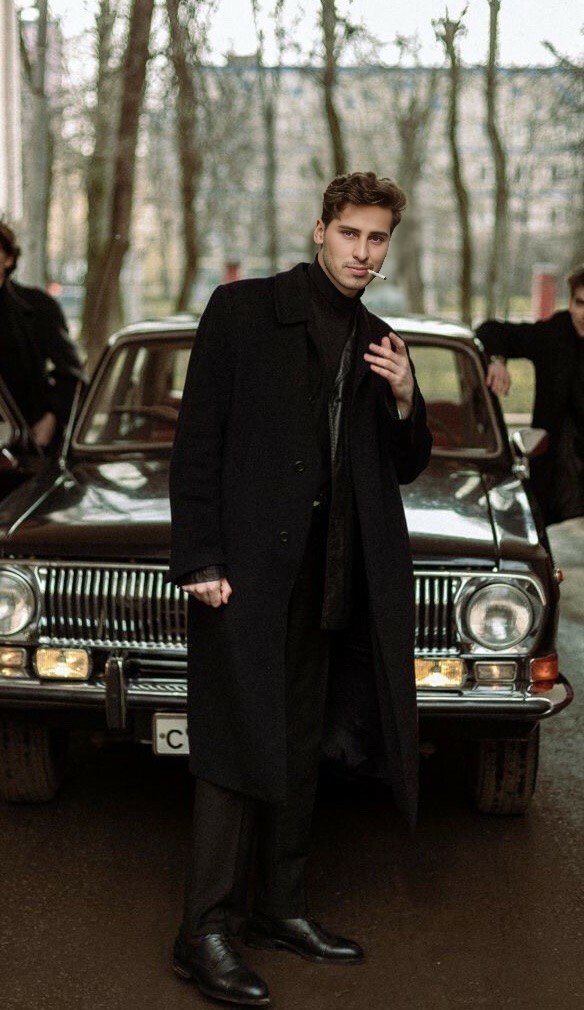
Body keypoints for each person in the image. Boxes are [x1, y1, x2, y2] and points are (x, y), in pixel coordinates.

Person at [168, 171, 432, 1007]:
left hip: (330, 580)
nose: (363, 251)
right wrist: (201, 557)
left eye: (378, 238)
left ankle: (279, 909)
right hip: (245, 576)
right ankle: (203, 931)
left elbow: (402, 465)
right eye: (351, 233)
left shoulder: (380, 339)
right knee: (231, 748)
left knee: (298, 742)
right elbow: (197, 441)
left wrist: (406, 397)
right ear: (321, 231)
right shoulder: (242, 311)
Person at [478, 264, 584, 525]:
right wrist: (497, 361)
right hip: (557, 480)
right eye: (580, 303)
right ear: (571, 303)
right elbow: (491, 330)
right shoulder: (555, 334)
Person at [0, 219, 86, 449]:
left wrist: (51, 417)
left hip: (27, 442)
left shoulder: (36, 307)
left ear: (8, 259)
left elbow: (71, 372)